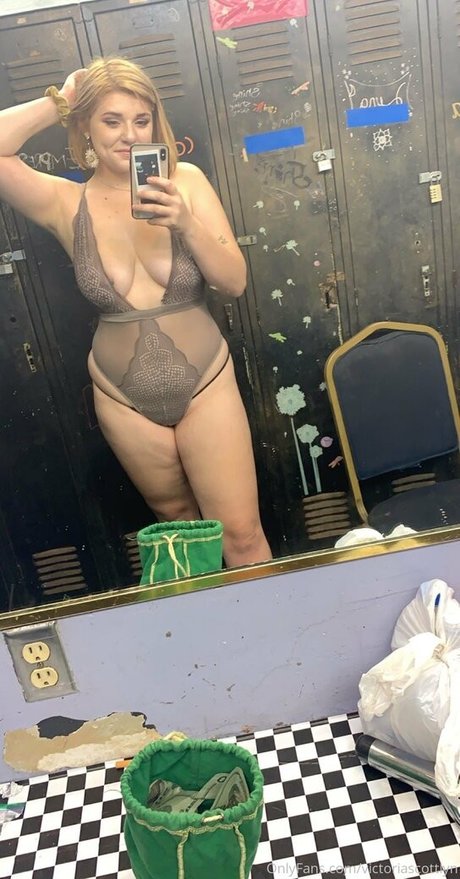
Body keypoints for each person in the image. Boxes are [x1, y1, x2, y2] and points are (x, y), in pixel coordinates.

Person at [0, 57, 272, 568]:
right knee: (179, 537)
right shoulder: (65, 202)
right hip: (122, 398)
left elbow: (233, 282)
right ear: (85, 126)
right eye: (111, 121)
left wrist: (187, 224)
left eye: (141, 120)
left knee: (241, 535)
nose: (129, 135)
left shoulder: (184, 181)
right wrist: (61, 101)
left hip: (205, 383)